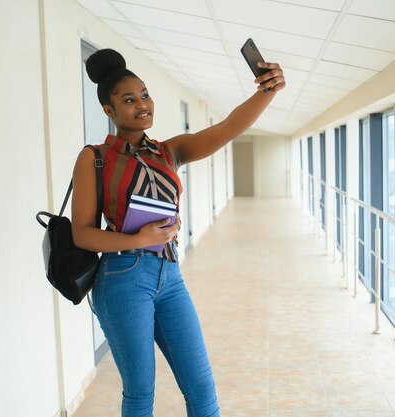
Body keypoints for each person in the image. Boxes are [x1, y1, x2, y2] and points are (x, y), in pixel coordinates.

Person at [71, 48, 285, 417]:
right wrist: (139, 239)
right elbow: (83, 235)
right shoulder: (95, 157)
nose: (142, 105)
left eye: (145, 95)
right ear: (109, 111)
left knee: (202, 388)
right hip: (123, 279)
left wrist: (267, 91)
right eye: (128, 100)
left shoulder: (168, 152)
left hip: (170, 277)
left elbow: (225, 128)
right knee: (140, 393)